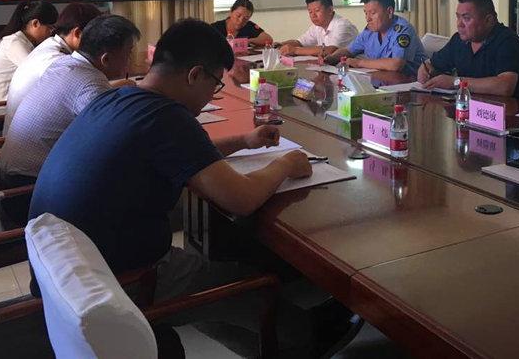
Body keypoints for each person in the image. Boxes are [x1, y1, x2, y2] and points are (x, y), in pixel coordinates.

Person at [27, 18, 311, 284]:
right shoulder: (167, 117)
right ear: (195, 75)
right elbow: (242, 198)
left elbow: (191, 156)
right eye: (215, 85)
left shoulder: (119, 97)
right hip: (121, 282)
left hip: (63, 273)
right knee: (263, 279)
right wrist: (287, 163)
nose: (212, 95)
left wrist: (244, 141)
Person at [0, 15, 141, 223]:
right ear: (105, 59)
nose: (130, 61)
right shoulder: (89, 84)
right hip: (29, 192)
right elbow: (115, 139)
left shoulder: (64, 64)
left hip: (11, 178)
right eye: (128, 53)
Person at [2, 2, 102, 135]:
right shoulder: (56, 60)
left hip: (23, 132)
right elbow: (87, 93)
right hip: (26, 135)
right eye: (97, 38)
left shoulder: (49, 46)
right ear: (77, 33)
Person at [417, 0, 519, 100]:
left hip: (509, 111)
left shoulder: (507, 41)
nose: (459, 24)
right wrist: (426, 69)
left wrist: (455, 82)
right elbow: (431, 65)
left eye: (466, 18)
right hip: (469, 107)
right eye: (458, 17)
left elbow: (505, 86)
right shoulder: (459, 40)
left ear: (489, 20)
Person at [326, 0, 425, 75]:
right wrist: (330, 58)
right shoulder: (369, 31)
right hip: (382, 80)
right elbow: (348, 51)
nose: (368, 18)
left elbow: (396, 64)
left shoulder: (403, 30)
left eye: (372, 13)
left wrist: (359, 63)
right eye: (366, 13)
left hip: (411, 82)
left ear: (389, 11)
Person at [0, 1, 58, 113]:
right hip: (1, 111)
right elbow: (40, 74)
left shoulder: (22, 41)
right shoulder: (14, 43)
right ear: (35, 23)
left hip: (10, 107)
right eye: (50, 28)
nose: (50, 33)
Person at [277, 0, 359, 57]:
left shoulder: (343, 26)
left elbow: (331, 51)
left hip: (354, 69)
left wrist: (295, 50)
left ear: (330, 10)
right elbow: (300, 43)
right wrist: (280, 45)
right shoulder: (317, 27)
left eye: (317, 10)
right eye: (310, 12)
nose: (313, 15)